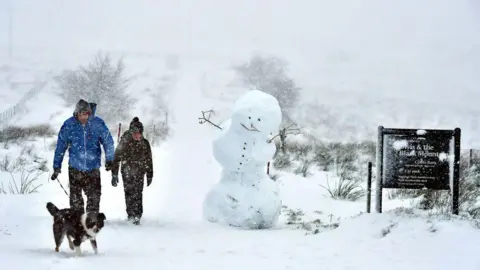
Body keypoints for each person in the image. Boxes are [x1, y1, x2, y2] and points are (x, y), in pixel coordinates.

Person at [51, 99, 115, 213]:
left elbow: (108, 141)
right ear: (76, 114)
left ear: (89, 113)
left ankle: (91, 221)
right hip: (75, 168)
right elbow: (61, 146)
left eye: (85, 114)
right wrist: (57, 166)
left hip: (93, 168)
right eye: (80, 114)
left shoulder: (97, 123)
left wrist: (110, 159)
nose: (83, 117)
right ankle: (78, 221)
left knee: (94, 198)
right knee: (76, 200)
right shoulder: (69, 125)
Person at [111, 117, 153, 225]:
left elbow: (149, 159)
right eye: (134, 133)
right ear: (131, 132)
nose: (136, 135)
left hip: (140, 172)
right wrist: (114, 174)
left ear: (141, 133)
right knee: (129, 193)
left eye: (138, 133)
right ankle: (130, 215)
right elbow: (116, 157)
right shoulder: (125, 141)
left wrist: (149, 174)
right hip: (127, 172)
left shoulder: (145, 143)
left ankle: (137, 216)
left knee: (138, 193)